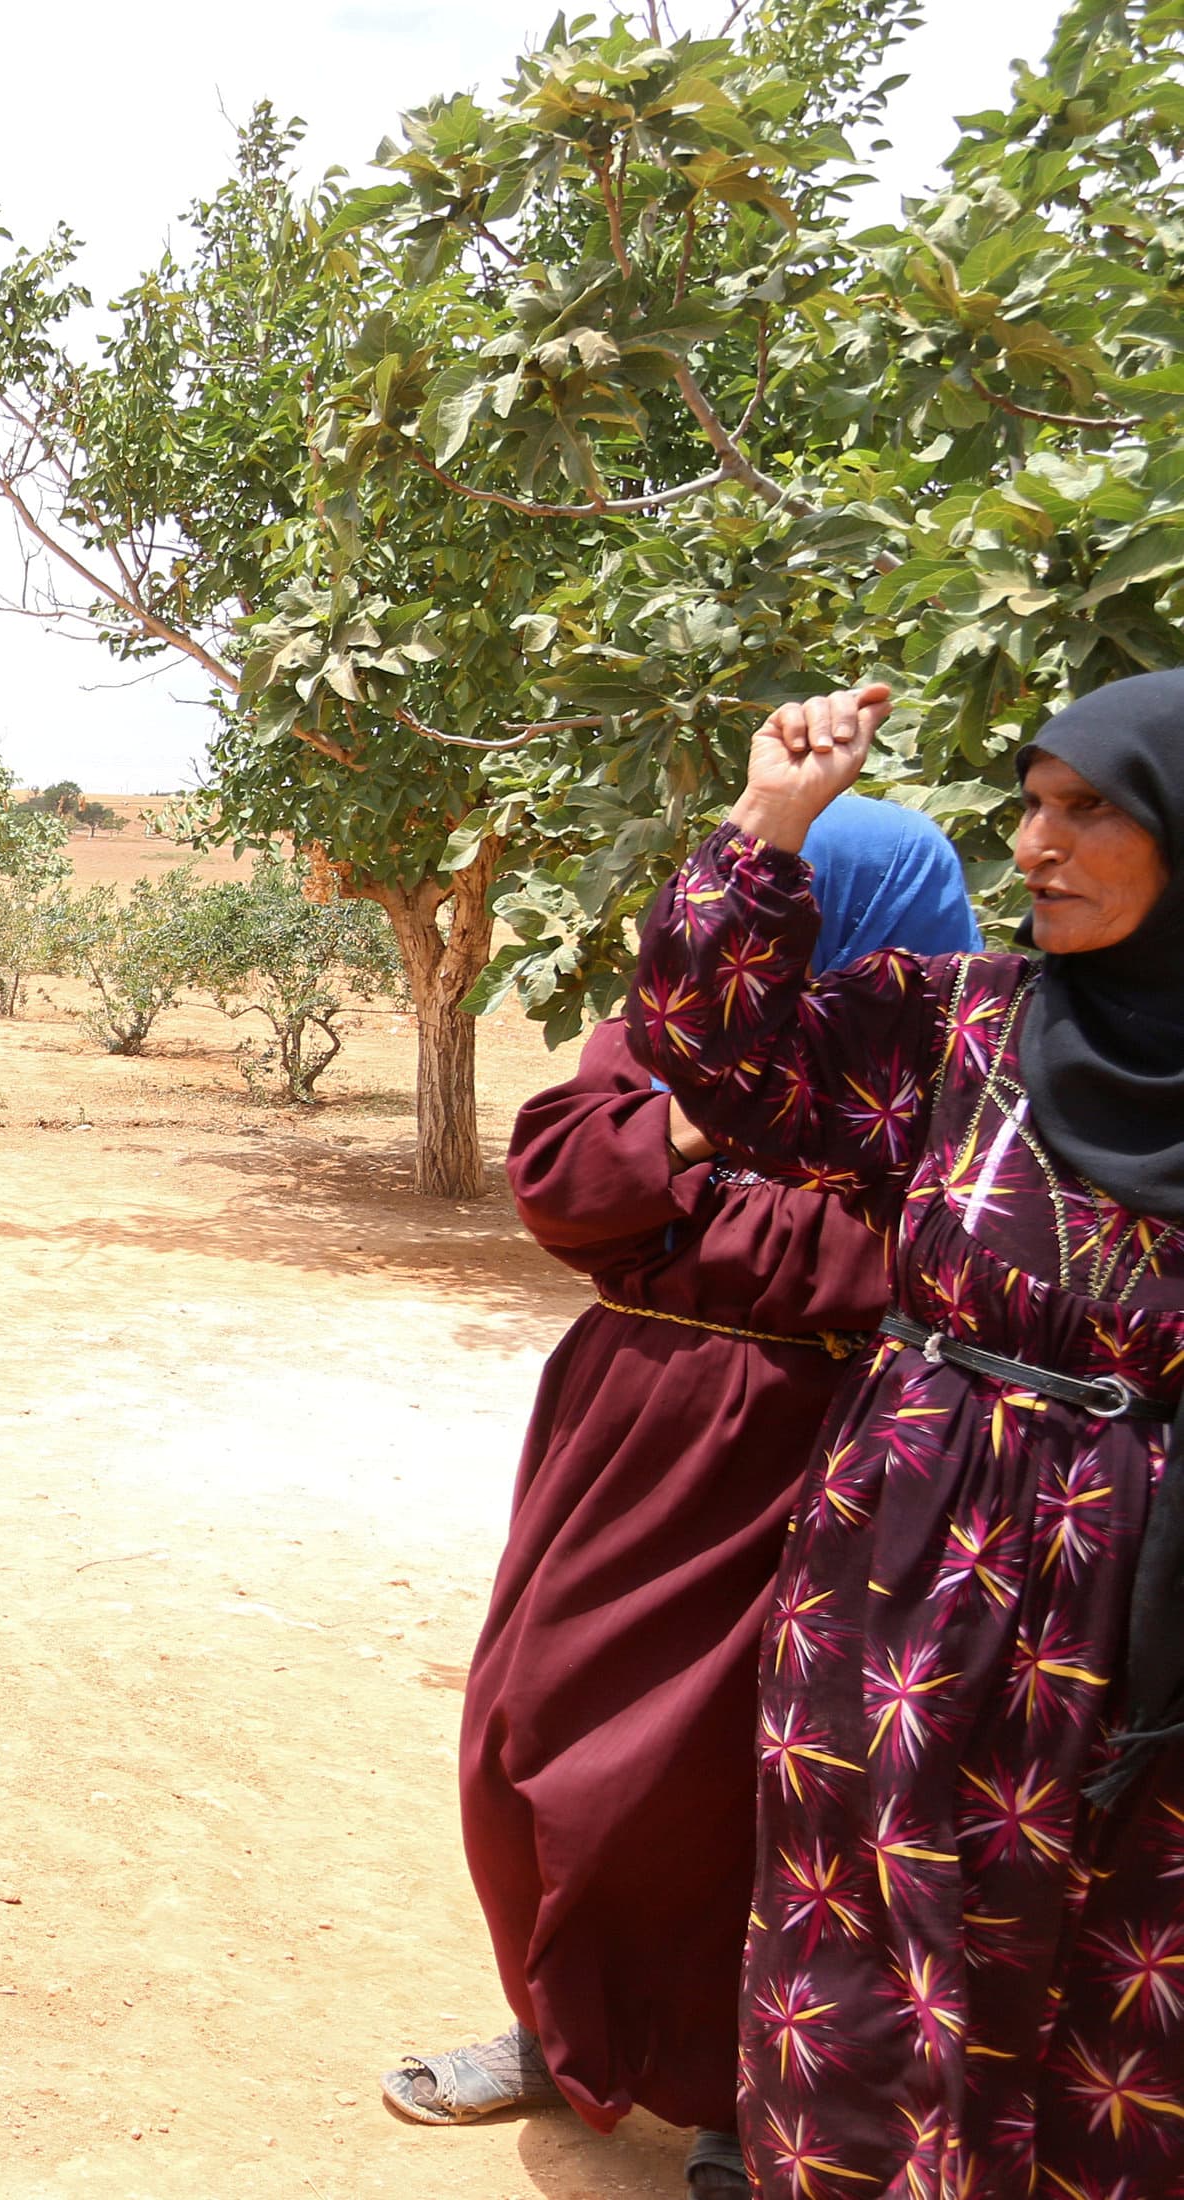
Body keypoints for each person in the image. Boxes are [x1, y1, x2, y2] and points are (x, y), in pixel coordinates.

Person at [621, 674, 1182, 2195]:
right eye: (1032, 804)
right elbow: (707, 1047)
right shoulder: (964, 1027)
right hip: (906, 1566)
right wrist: (772, 818)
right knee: (867, 1947)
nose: (1039, 844)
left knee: (1114, 1986)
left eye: (1091, 810)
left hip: (1145, 1615)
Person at [386, 800, 979, 2200]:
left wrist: (687, 1177)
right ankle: (555, 2026)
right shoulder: (679, 1023)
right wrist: (721, 1105)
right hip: (628, 1425)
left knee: (744, 1777)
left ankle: (739, 2086)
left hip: (830, 1446)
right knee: (527, 1734)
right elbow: (562, 1184)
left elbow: (903, 1253)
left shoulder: (959, 1063)